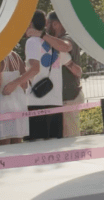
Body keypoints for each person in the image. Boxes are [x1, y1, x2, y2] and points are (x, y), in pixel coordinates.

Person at [8, 11, 69, 141]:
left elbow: (35, 69)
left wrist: (14, 83)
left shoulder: (31, 42)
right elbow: (65, 48)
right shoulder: (52, 41)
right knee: (54, 148)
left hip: (37, 101)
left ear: (30, 23)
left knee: (37, 150)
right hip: (56, 101)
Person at [47, 12, 84, 138]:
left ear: (55, 24)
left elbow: (65, 47)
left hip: (69, 97)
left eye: (48, 24)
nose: (46, 28)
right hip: (59, 99)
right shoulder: (52, 43)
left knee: (70, 139)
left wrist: (42, 35)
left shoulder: (68, 38)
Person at [0, 48, 29, 145]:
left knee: (2, 145)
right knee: (17, 144)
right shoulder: (15, 56)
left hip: (1, 103)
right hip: (19, 103)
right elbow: (25, 84)